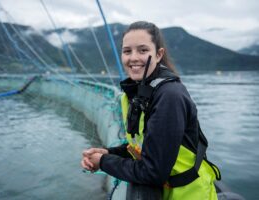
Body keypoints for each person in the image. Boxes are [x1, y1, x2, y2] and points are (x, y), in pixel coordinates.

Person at [81, 21, 220, 200]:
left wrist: (102, 162)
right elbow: (143, 146)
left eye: (143, 50)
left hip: (189, 195)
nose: (134, 58)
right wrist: (110, 153)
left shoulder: (169, 96)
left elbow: (153, 172)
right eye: (127, 51)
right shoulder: (136, 94)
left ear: (158, 54)